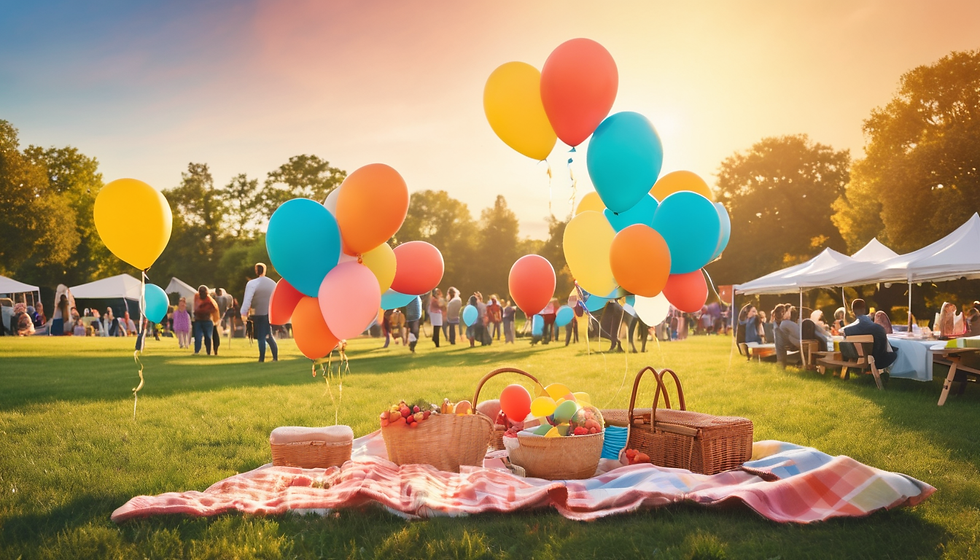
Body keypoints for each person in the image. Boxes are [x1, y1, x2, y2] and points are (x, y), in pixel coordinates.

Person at [842, 299, 897, 369]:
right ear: (865, 310)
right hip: (878, 362)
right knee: (894, 353)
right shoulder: (879, 329)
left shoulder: (847, 330)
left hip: (857, 359)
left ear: (853, 311)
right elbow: (883, 350)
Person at [240, 263, 278, 362]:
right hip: (268, 314)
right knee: (268, 335)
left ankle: (261, 358)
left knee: (261, 336)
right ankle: (275, 357)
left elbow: (248, 299)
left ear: (256, 270)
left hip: (257, 313)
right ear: (265, 270)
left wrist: (243, 312)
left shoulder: (252, 283)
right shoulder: (272, 283)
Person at [192, 285, 218, 355]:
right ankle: (196, 351)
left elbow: (215, 310)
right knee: (197, 336)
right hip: (198, 320)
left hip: (207, 321)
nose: (201, 294)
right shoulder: (197, 298)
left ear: (206, 293)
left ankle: (208, 352)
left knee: (208, 337)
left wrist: (206, 311)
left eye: (203, 292)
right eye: (200, 292)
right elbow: (195, 308)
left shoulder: (210, 301)